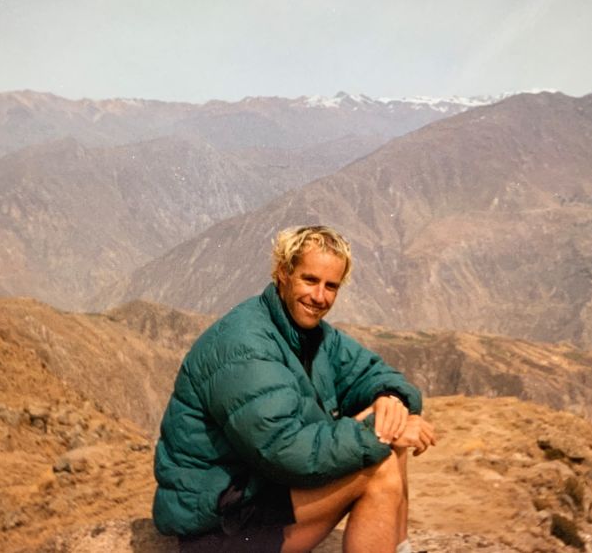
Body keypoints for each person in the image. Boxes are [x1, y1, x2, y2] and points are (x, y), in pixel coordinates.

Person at [153, 225, 436, 553]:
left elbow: (377, 375)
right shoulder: (245, 344)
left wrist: (391, 399)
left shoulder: (312, 335)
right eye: (310, 280)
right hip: (219, 524)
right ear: (282, 273)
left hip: (257, 492)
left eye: (331, 286)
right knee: (380, 465)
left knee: (389, 420)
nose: (320, 297)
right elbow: (286, 451)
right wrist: (379, 434)